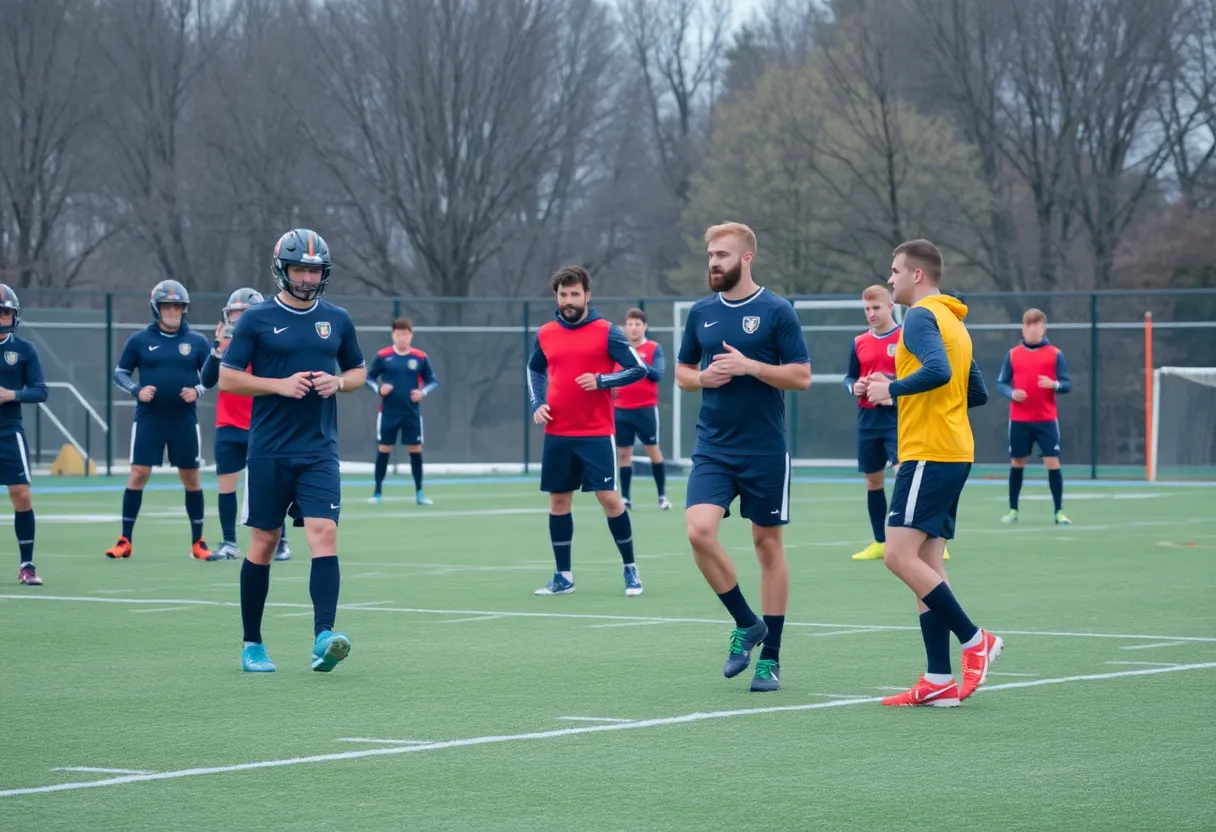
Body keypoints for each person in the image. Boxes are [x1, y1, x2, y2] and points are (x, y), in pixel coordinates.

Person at [219, 228, 366, 673]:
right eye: (299, 268)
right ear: (282, 269)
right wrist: (277, 386)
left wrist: (338, 382)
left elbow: (358, 370)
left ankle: (324, 637)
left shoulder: (337, 319)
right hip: (268, 451)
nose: (306, 277)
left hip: (320, 450)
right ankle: (252, 644)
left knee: (324, 532)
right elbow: (227, 378)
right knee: (263, 543)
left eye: (314, 269)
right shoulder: (256, 319)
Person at [862, 239, 1001, 708]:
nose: (891, 279)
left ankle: (974, 639)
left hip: (929, 452)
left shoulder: (921, 317)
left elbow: (939, 373)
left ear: (917, 275)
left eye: (896, 271)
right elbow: (974, 392)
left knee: (898, 557)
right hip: (953, 449)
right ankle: (939, 679)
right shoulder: (953, 322)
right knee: (929, 564)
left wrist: (891, 389)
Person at [676, 222, 811, 693]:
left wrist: (752, 367)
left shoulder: (777, 311)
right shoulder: (700, 312)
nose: (714, 262)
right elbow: (681, 372)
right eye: (710, 254)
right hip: (713, 446)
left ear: (746, 259)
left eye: (723, 255)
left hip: (765, 449)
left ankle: (769, 658)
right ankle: (746, 623)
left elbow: (801, 376)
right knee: (698, 532)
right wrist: (702, 380)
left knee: (767, 547)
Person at [527, 266, 647, 597]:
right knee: (558, 500)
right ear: (557, 297)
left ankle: (630, 569)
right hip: (558, 432)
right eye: (563, 294)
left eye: (574, 294)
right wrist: (537, 402)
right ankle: (563, 576)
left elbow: (640, 369)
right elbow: (534, 369)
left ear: (587, 295)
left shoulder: (608, 331)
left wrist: (602, 381)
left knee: (608, 498)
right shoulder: (546, 332)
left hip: (596, 433)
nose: (568, 300)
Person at [845, 286, 952, 563]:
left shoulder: (907, 336)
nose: (871, 313)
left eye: (876, 308)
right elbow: (850, 377)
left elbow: (921, 373)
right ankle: (880, 541)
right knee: (872, 480)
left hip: (899, 417)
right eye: (867, 309)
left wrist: (891, 388)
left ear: (890, 305)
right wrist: (854, 386)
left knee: (905, 472)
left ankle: (934, 538)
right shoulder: (858, 342)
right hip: (868, 419)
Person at [107, 280, 212, 561]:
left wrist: (198, 390)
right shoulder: (139, 341)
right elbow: (120, 373)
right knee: (138, 473)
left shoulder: (197, 342)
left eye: (178, 307)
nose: (173, 312)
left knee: (190, 478)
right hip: (149, 420)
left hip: (184, 421)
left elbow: (212, 377)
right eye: (168, 306)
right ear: (157, 308)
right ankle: (125, 540)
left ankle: (198, 542)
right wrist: (136, 390)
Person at [200, 288, 291, 562]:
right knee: (226, 484)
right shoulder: (226, 345)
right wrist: (218, 350)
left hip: (260, 424)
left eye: (244, 313)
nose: (237, 319)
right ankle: (229, 542)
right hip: (228, 424)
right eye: (234, 313)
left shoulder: (266, 344)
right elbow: (206, 381)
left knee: (267, 487)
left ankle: (281, 541)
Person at [997, 308, 1072, 525]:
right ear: (1023, 327)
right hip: (1019, 420)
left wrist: (1054, 384)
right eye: (1027, 324)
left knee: (1052, 461)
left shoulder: (1055, 354)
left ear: (1043, 327)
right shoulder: (1012, 354)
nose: (1031, 329)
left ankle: (1059, 511)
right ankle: (1013, 510)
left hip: (1046, 419)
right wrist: (1011, 393)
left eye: (1036, 324)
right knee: (1018, 462)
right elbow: (1001, 382)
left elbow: (1067, 384)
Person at [0, 286, 48, 586]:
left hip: (8, 431)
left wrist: (11, 394)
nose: (1, 318)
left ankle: (27, 565)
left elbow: (40, 390)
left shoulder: (25, 350)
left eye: (5, 312)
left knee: (21, 494)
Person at [366, 318, 438, 506]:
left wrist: (422, 392)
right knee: (384, 450)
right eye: (398, 334)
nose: (402, 337)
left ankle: (420, 493)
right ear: (393, 335)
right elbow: (369, 378)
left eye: (405, 334)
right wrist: (379, 389)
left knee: (415, 450)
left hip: (411, 413)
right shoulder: (383, 356)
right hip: (388, 412)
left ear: (411, 335)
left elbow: (432, 381)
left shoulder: (420, 357)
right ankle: (377, 492)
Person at [613, 308, 671, 511]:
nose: (633, 328)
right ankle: (626, 498)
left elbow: (657, 375)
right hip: (621, 410)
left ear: (645, 327)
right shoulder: (619, 350)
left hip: (645, 409)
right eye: (629, 324)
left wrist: (638, 363)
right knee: (623, 453)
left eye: (637, 324)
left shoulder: (654, 348)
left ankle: (662, 496)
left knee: (653, 451)